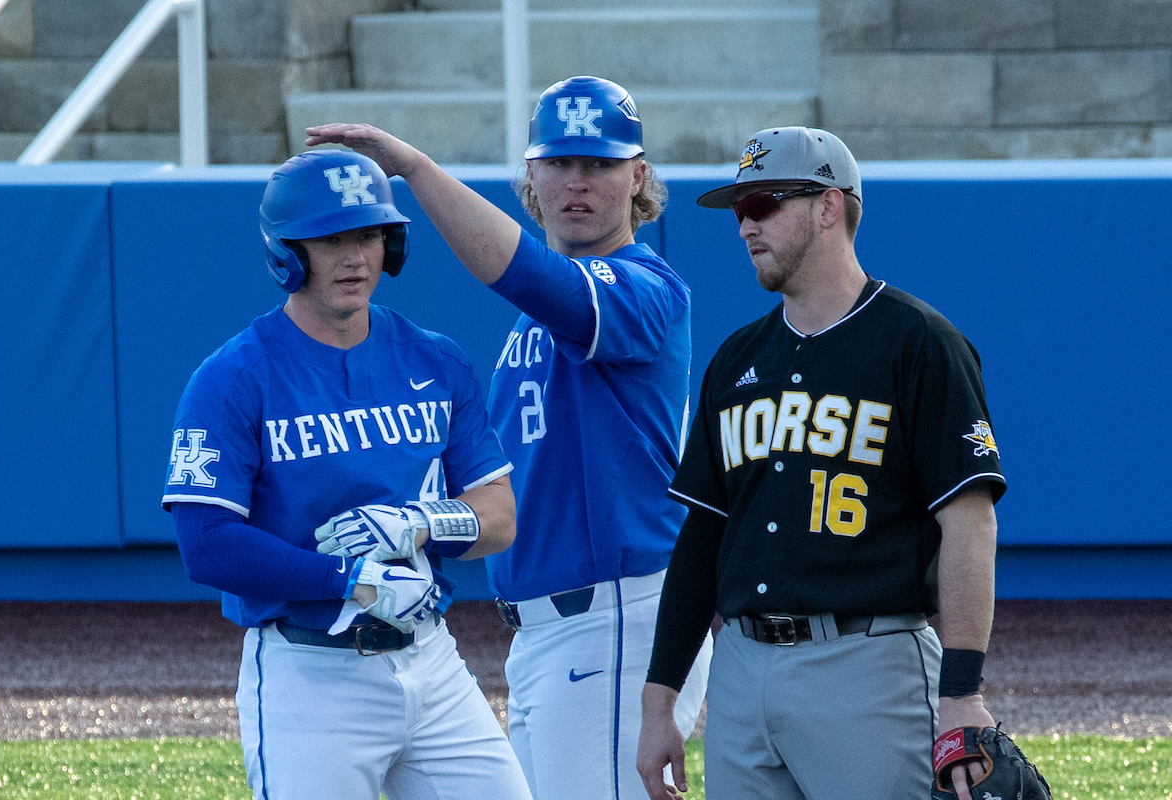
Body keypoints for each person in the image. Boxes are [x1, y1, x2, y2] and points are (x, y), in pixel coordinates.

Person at [304, 74, 711, 800]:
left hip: (618, 617)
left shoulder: (646, 288)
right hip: (551, 632)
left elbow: (525, 273)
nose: (577, 182)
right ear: (532, 174)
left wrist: (418, 171)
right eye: (559, 163)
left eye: (600, 164)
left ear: (639, 176)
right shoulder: (537, 324)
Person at [635, 126, 1006, 800]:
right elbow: (703, 536)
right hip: (742, 672)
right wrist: (659, 702)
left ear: (829, 205)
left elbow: (970, 525)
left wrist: (961, 693)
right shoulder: (737, 358)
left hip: (868, 664)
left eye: (764, 204)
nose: (745, 224)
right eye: (738, 210)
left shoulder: (918, 343)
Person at [161, 149, 533, 800]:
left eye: (368, 234)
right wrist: (348, 578)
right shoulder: (231, 379)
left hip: (432, 660)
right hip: (311, 676)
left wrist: (421, 523)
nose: (356, 256)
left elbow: (499, 514)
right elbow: (206, 544)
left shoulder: (434, 358)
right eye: (332, 239)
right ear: (287, 250)